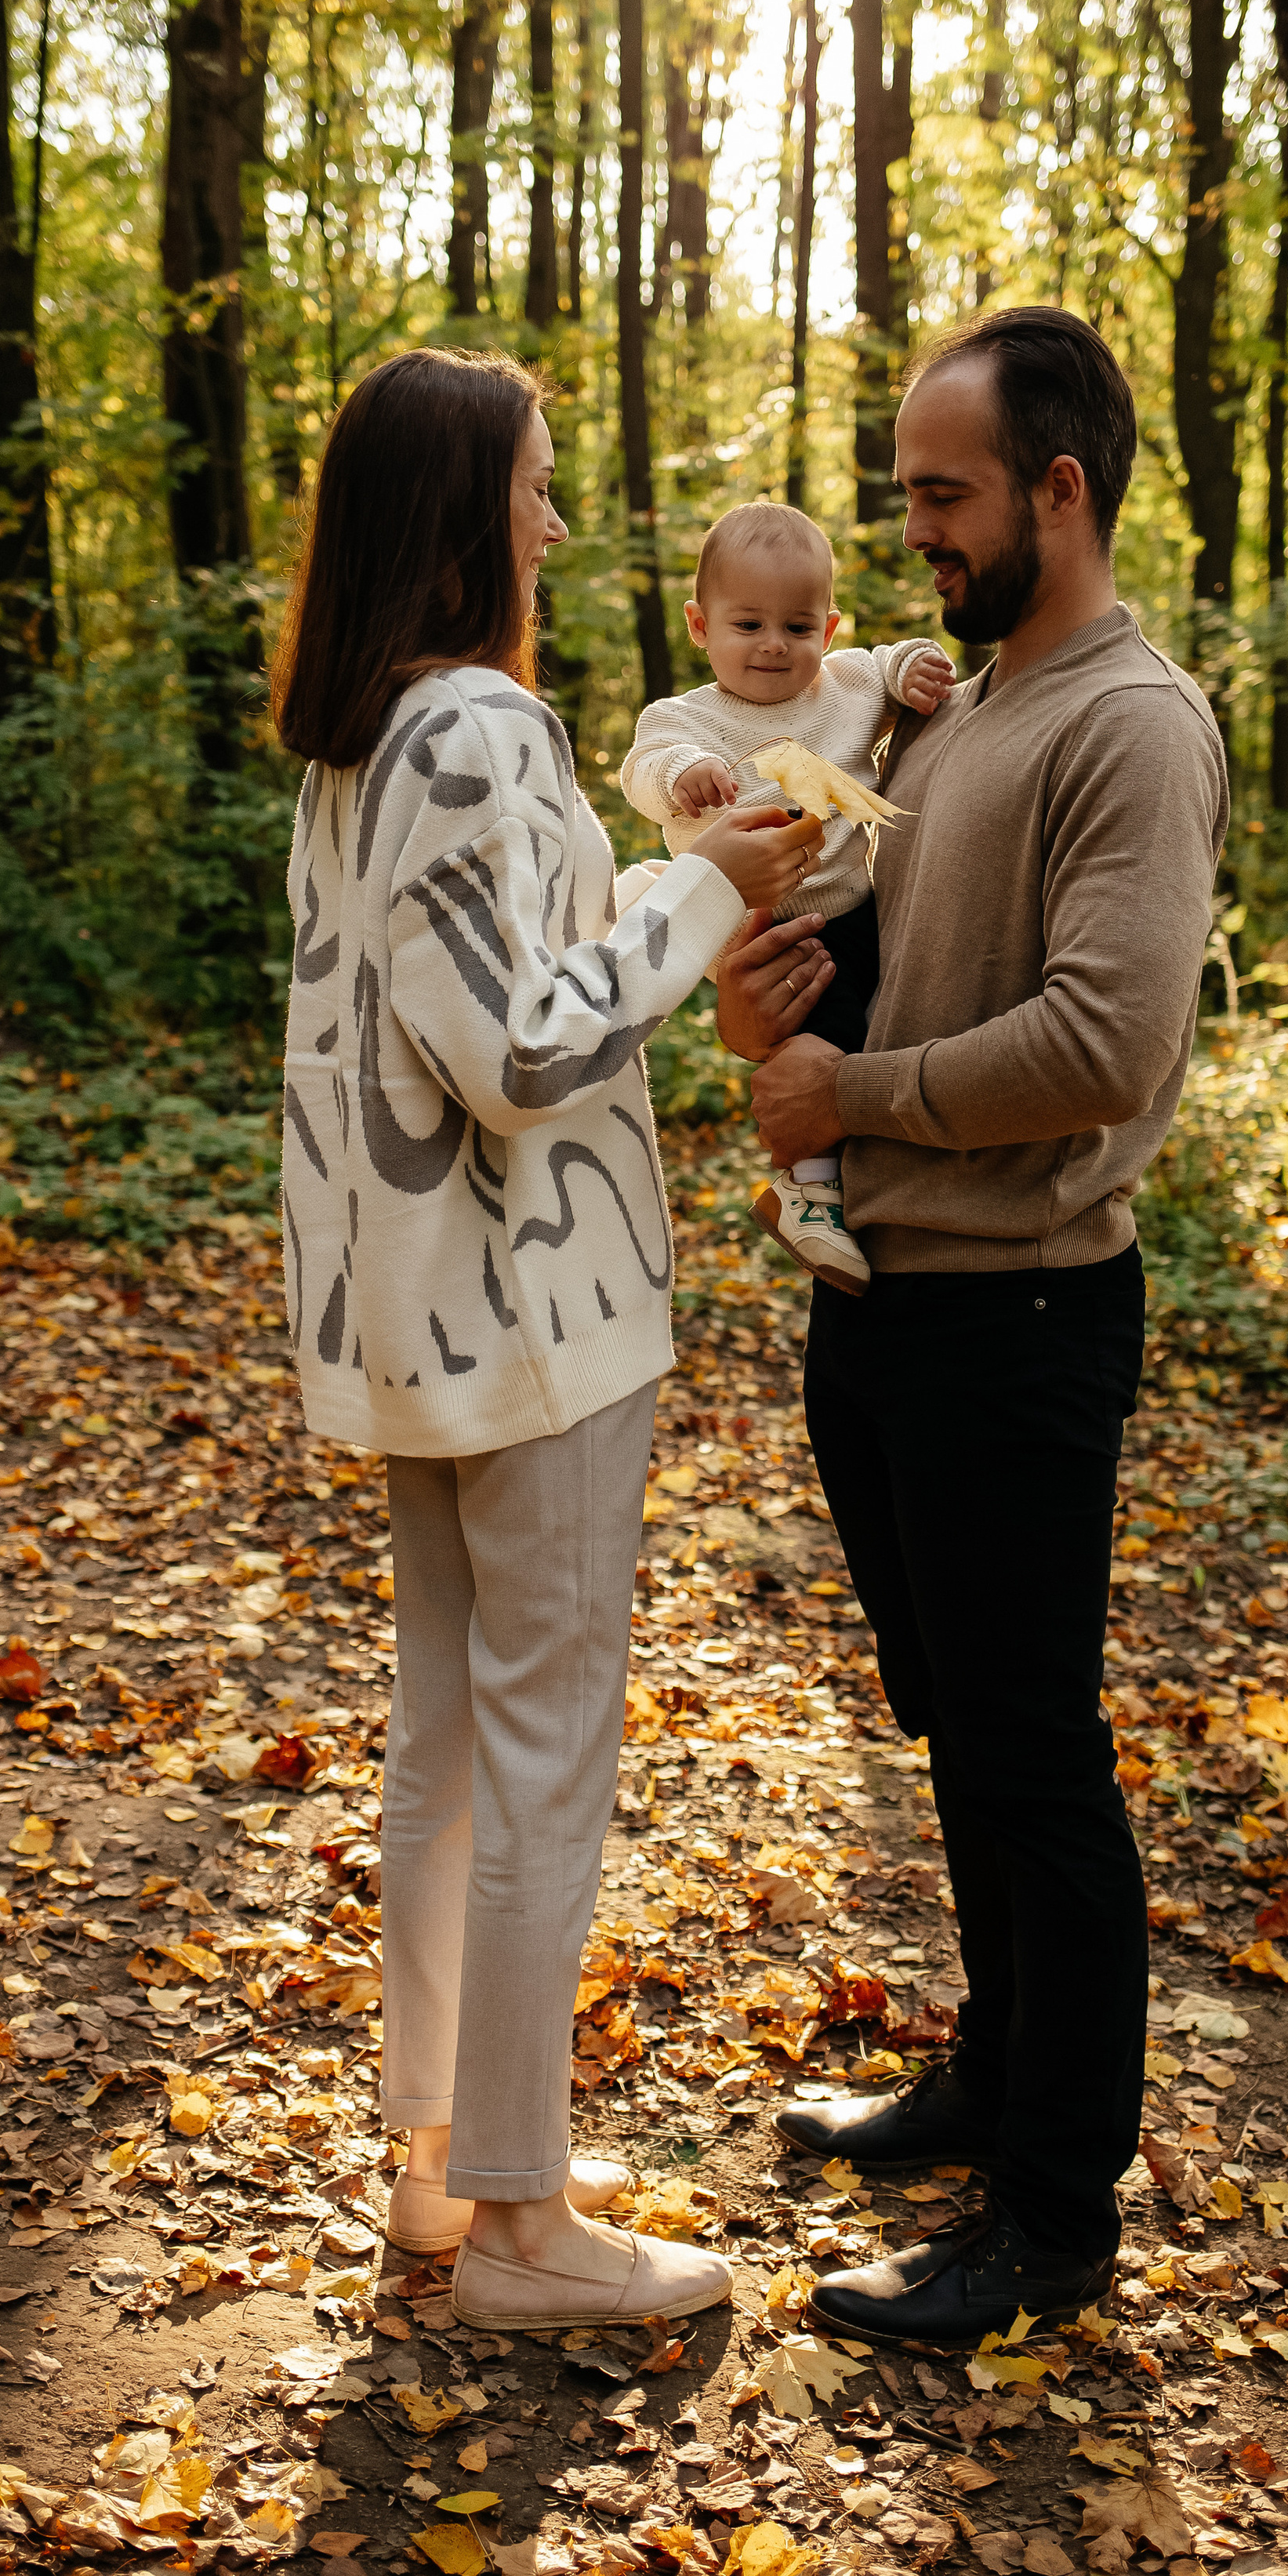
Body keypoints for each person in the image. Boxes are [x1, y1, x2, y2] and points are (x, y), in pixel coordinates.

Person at [274, 346, 822, 2333]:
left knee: (448, 1750)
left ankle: (441, 2158)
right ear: (459, 520)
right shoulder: (478, 728)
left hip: (420, 1326)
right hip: (537, 1323)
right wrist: (709, 884)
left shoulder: (360, 735)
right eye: (533, 489)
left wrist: (674, 875)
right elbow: (519, 1053)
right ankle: (517, 2229)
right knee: (537, 1763)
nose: (557, 526)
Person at [713, 306, 1228, 2346]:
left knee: (1036, 1754)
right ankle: (989, 2071)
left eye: (941, 492)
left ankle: (1052, 2211)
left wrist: (856, 1096)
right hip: (889, 1306)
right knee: (962, 1732)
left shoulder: (1131, 721)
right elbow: (876, 956)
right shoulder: (952, 708)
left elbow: (1106, 1041)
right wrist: (783, 1001)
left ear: (1059, 488)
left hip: (1023, 1309)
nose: (909, 529)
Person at [620, 499, 953, 1293]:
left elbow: (891, 661)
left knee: (873, 1026)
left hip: (852, 906)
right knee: (815, 1032)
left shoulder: (844, 687)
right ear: (701, 627)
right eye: (748, 625)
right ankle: (807, 1189)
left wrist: (913, 669)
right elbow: (642, 768)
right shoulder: (686, 718)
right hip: (754, 922)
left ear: (828, 630)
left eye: (798, 628)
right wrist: (681, 775)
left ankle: (834, 1180)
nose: (774, 644)